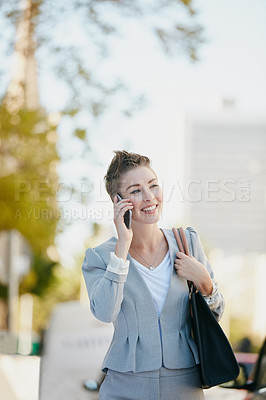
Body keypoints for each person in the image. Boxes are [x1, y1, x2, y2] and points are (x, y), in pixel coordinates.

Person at [82, 150, 224, 400]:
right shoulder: (101, 257)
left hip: (184, 383)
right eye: (136, 191)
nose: (150, 197)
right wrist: (122, 247)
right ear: (118, 201)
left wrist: (205, 282)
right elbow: (104, 312)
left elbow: (216, 313)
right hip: (125, 384)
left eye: (153, 186)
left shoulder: (187, 242)